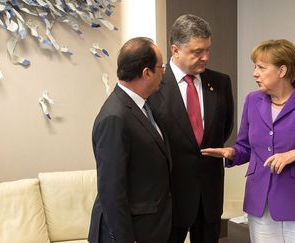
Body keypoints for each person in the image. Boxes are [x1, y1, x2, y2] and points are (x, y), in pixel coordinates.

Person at [201, 39, 295, 243]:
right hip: (260, 204)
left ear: (282, 70)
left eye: (261, 67)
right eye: (255, 66)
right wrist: (231, 153)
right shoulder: (252, 100)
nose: (255, 73)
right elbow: (245, 147)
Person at [148, 14, 234, 243]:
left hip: (210, 196)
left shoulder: (221, 83)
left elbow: (224, 129)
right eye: (197, 52)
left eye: (207, 49)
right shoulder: (154, 86)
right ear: (175, 50)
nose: (205, 57)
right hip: (170, 197)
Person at [88, 37, 172, 243]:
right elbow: (112, 190)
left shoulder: (143, 106)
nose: (164, 72)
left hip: (150, 227)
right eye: (161, 67)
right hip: (128, 233)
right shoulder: (115, 117)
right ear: (146, 73)